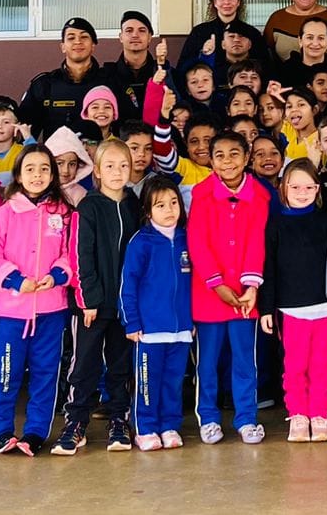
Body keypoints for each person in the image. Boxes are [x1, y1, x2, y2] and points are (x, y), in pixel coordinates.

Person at [0, 146, 77, 457]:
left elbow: (70, 253)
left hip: (51, 308)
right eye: (30, 168)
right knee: (6, 372)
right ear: (19, 175)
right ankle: (2, 430)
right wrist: (16, 280)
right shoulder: (4, 214)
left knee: (46, 372)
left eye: (45, 168)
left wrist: (58, 275)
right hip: (11, 309)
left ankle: (35, 432)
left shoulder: (64, 213)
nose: (38, 175)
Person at [54, 139, 141, 455]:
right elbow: (80, 254)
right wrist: (87, 298)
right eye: (110, 166)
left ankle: (119, 419)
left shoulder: (134, 205)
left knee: (120, 364)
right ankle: (75, 422)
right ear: (98, 172)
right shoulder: (88, 206)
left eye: (123, 165)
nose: (118, 172)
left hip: (124, 306)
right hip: (92, 305)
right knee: (85, 364)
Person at [187, 132, 270, 445]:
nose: (227, 162)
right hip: (210, 295)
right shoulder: (202, 194)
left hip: (245, 296)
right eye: (219, 155)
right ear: (211, 159)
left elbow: (257, 242)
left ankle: (246, 418)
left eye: (234, 154)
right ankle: (208, 417)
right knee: (207, 362)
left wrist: (250, 286)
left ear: (247, 157)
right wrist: (216, 283)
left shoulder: (259, 195)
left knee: (245, 361)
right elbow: (197, 242)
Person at [259, 159, 327, 443]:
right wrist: (266, 308)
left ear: (318, 189)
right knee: (294, 365)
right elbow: (267, 267)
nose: (301, 192)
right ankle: (298, 414)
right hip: (290, 310)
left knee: (322, 364)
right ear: (283, 188)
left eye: (308, 187)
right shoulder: (275, 224)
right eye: (295, 186)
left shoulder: (326, 220)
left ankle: (319, 414)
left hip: (325, 307)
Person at [120, 177, 194, 451]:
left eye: (174, 202)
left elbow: (194, 285)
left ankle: (169, 425)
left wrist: (190, 321)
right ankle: (146, 427)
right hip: (149, 331)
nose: (169, 209)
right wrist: (132, 322)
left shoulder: (188, 238)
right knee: (148, 382)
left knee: (173, 382)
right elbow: (128, 284)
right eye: (160, 205)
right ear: (148, 211)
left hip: (181, 330)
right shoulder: (142, 242)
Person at [180, 0, 248, 71]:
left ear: (239, 2)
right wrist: (203, 55)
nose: (227, 2)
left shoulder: (250, 33)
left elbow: (263, 68)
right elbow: (183, 67)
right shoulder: (199, 32)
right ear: (215, 2)